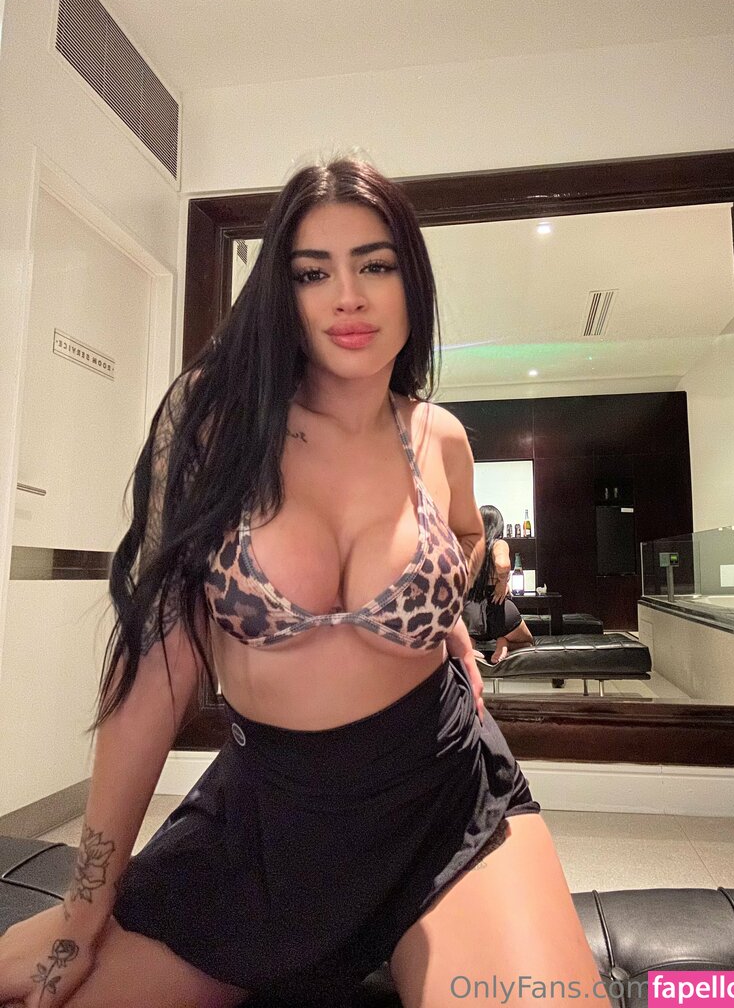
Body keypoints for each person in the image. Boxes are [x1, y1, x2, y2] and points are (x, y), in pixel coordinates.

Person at [0, 157, 603, 1008]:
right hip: (270, 823)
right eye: (313, 273)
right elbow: (155, 668)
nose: (347, 297)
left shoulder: (439, 437)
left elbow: (468, 536)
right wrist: (81, 911)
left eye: (375, 265)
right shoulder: (213, 426)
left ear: (411, 281)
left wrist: (444, 610)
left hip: (444, 801)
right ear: (281, 294)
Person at [462, 504, 535, 664]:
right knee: (529, 642)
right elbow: (502, 564)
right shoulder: (498, 543)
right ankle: (504, 642)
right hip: (498, 608)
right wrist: (502, 582)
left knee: (467, 635)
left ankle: (469, 646)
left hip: (469, 610)